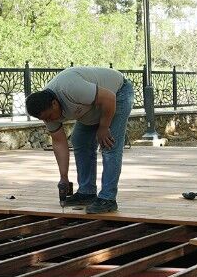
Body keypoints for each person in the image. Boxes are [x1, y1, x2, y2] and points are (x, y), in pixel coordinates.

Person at [26, 66, 134, 215]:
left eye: (49, 117)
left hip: (117, 94)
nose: (48, 120)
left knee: (109, 144)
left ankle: (108, 199)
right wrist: (63, 177)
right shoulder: (46, 110)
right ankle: (87, 192)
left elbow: (108, 98)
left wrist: (103, 128)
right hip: (91, 106)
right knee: (80, 140)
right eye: (44, 119)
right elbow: (59, 142)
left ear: (54, 103)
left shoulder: (70, 88)